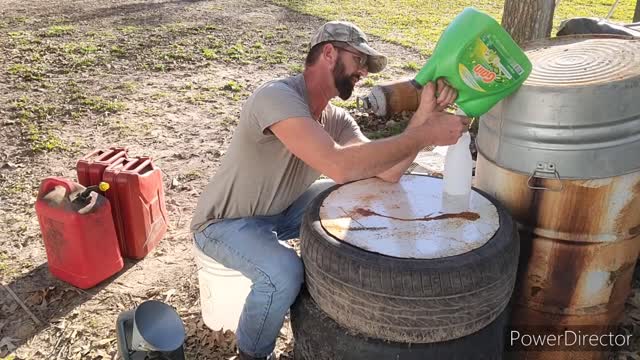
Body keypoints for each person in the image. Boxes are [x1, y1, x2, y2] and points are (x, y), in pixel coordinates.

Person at [191, 21, 469, 360]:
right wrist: (424, 137)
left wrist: (425, 115)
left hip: (282, 209)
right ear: (328, 53)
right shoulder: (276, 97)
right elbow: (338, 165)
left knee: (353, 193)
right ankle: (252, 354)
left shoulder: (334, 117)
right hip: (225, 222)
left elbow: (388, 173)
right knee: (283, 274)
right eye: (359, 60)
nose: (364, 72)